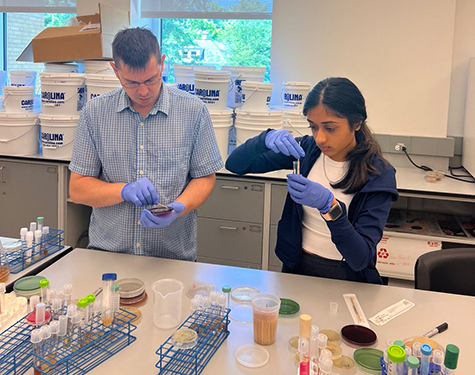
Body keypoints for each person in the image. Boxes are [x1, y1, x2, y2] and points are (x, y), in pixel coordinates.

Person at [69, 28, 224, 260]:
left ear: (162, 64)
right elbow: (78, 188)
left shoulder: (193, 111)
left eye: (151, 79)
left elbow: (204, 177)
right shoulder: (95, 113)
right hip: (109, 254)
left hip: (171, 257)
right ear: (115, 70)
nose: (143, 91)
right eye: (131, 82)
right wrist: (123, 190)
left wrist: (179, 207)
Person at [226, 77, 398, 284]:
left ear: (357, 123)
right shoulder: (306, 151)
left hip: (347, 278)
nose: (320, 138)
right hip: (297, 269)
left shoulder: (378, 174)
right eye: (313, 126)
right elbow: (235, 165)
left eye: (330, 128)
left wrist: (331, 208)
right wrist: (264, 140)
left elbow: (361, 258)